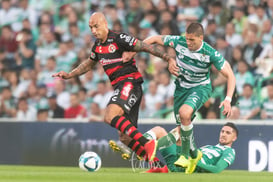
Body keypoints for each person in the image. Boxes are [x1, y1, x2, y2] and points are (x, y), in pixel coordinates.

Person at [52, 12, 175, 161]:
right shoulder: (97, 46)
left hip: (130, 82)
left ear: (105, 23)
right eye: (91, 27)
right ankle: (157, 165)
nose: (93, 31)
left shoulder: (119, 38)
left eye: (96, 26)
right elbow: (88, 64)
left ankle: (148, 143)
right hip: (122, 87)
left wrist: (168, 59)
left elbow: (144, 46)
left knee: (110, 115)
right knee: (125, 137)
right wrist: (69, 74)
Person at [124, 22, 236, 168]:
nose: (188, 43)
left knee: (185, 113)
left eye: (192, 40)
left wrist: (228, 99)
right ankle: (193, 155)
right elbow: (154, 38)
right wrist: (133, 51)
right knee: (180, 130)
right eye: (187, 39)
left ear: (201, 38)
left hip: (200, 88)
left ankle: (183, 156)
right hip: (181, 89)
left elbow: (230, 75)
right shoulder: (179, 41)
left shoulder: (210, 53)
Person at [148, 122, 238, 173]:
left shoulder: (229, 151)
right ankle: (142, 148)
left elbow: (217, 170)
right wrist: (162, 170)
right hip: (179, 162)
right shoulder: (208, 147)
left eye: (228, 133)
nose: (223, 134)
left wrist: (193, 162)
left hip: (187, 167)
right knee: (159, 130)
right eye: (222, 131)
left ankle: (145, 150)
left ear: (234, 138)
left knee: (180, 130)